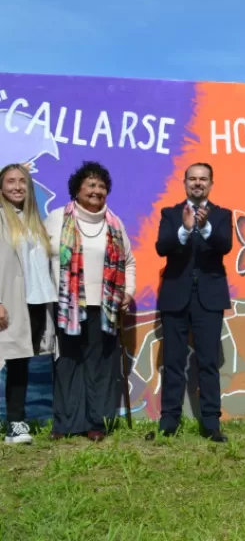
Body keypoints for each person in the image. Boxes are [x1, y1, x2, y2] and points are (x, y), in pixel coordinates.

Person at [44, 161, 136, 441]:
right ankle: (66, 423)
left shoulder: (115, 223)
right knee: (68, 364)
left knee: (100, 366)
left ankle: (96, 423)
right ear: (77, 189)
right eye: (91, 185)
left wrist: (128, 291)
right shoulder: (58, 218)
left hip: (104, 308)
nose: (97, 190)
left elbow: (129, 262)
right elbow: (43, 259)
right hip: (67, 307)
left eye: (101, 185)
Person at [148, 162, 232, 443]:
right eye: (193, 179)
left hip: (208, 298)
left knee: (208, 362)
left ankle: (210, 422)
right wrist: (184, 230)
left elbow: (224, 246)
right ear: (184, 183)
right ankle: (169, 420)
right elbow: (162, 247)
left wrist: (205, 227)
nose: (198, 183)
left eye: (203, 179)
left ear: (211, 183)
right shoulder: (170, 214)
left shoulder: (221, 215)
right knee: (172, 362)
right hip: (176, 296)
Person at [0, 164, 58, 444]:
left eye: (22, 181)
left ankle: (16, 423)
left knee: (19, 364)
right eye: (10, 181)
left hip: (34, 303)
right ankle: (15, 421)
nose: (17, 186)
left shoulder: (35, 222)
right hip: (8, 304)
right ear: (1, 187)